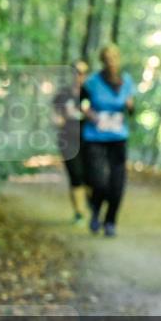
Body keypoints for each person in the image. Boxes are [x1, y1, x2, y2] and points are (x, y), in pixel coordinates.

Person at [82, 45, 136, 238]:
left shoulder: (127, 81)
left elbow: (131, 108)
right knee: (99, 181)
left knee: (117, 184)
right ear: (102, 60)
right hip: (95, 137)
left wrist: (130, 106)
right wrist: (87, 112)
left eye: (114, 57)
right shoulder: (92, 82)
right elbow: (81, 102)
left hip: (118, 138)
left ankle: (110, 221)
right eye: (107, 57)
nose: (111, 61)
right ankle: (95, 210)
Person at [53, 60, 89, 224]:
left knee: (90, 176)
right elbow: (55, 116)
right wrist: (60, 119)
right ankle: (79, 213)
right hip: (68, 140)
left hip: (89, 140)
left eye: (82, 72)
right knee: (76, 175)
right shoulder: (63, 94)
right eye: (76, 72)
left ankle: (89, 208)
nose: (79, 76)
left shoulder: (90, 94)